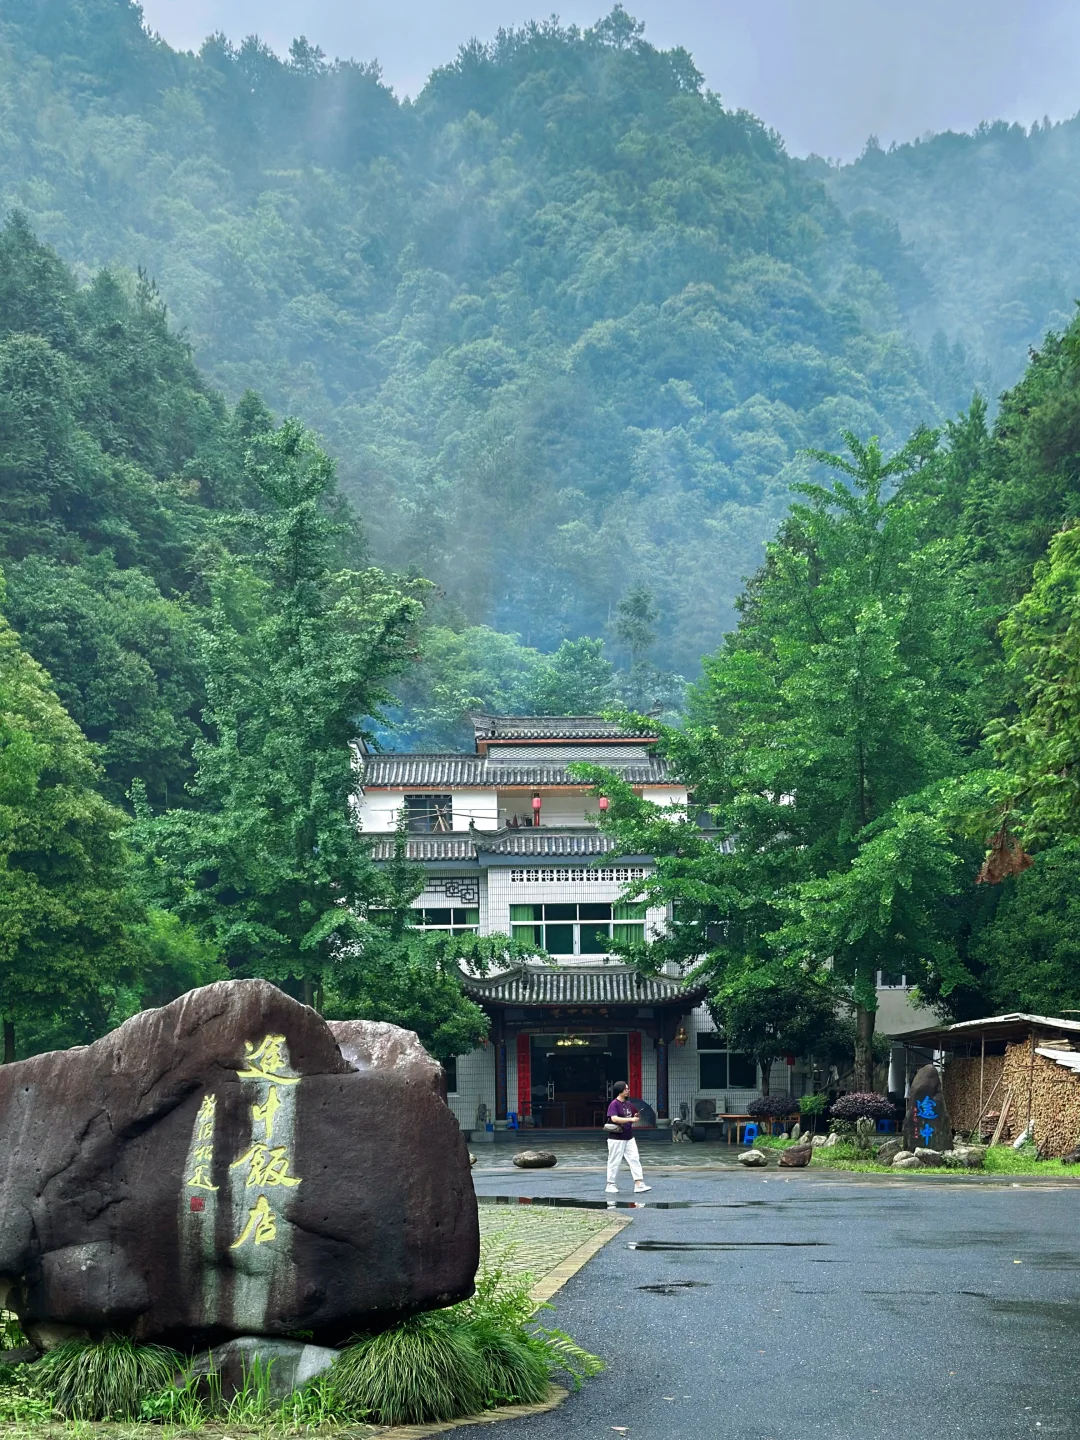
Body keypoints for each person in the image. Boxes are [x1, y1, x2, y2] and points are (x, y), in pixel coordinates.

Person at [605, 1082, 651, 1194]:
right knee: (614, 1161)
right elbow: (614, 1119)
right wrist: (630, 1120)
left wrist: (635, 1116)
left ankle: (638, 1183)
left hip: (629, 1137)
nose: (628, 1090)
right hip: (616, 1138)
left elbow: (634, 1115)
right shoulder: (614, 1104)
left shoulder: (628, 1104)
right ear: (620, 1090)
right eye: (626, 1089)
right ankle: (610, 1184)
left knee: (634, 1158)